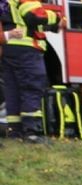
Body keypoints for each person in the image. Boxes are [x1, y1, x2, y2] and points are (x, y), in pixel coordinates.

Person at [1, 0, 58, 142]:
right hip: (25, 49)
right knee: (32, 87)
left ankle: (15, 133)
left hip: (7, 48)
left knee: (12, 91)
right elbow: (34, 16)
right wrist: (56, 16)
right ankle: (32, 132)